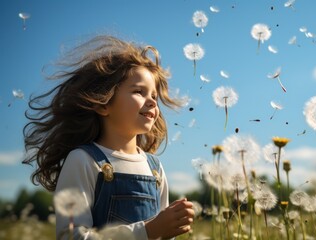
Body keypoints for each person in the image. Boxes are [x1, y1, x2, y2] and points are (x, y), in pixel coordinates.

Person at [22, 35, 195, 239]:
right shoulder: (83, 161)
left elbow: (163, 234)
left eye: (154, 96)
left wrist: (169, 228)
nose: (151, 102)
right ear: (103, 103)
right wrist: (148, 231)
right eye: (139, 92)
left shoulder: (155, 169)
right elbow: (72, 236)